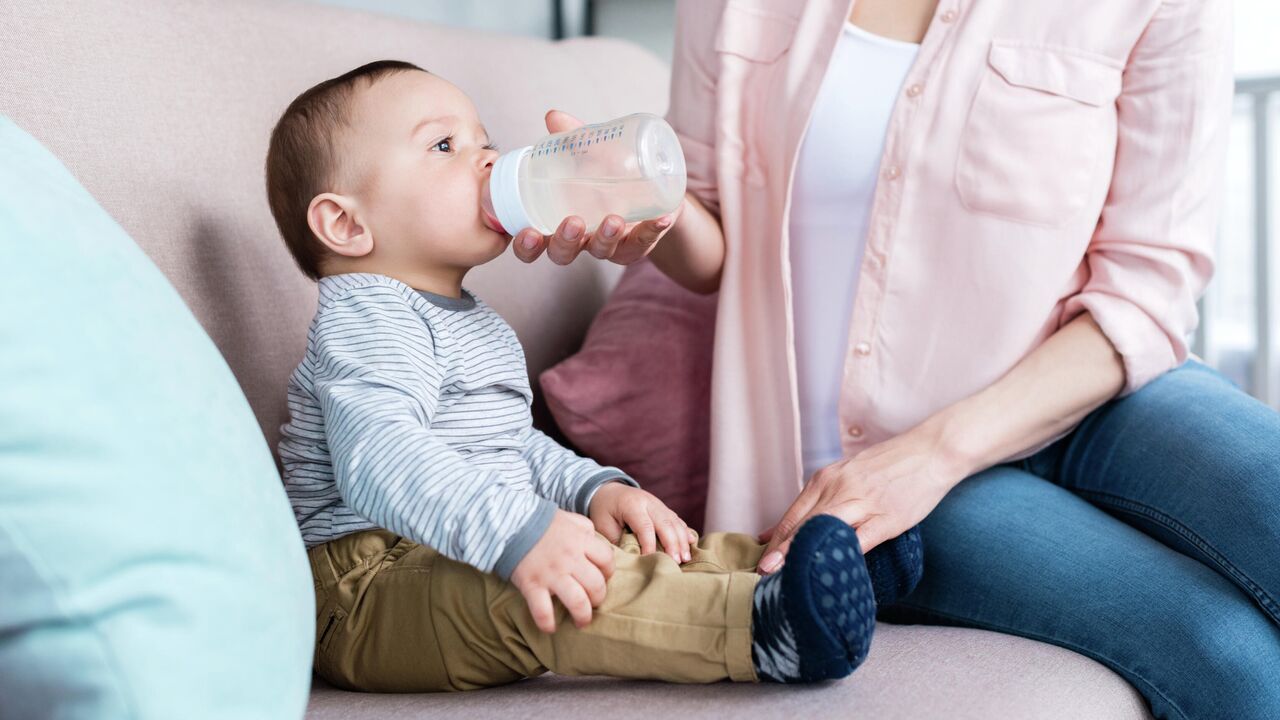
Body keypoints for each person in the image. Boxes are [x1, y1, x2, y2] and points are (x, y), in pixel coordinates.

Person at [508, 1, 1280, 717]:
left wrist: (931, 456)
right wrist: (656, 217)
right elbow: (715, 242)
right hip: (883, 474)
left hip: (1091, 392)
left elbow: (1147, 289)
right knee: (1229, 654)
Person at [264, 60, 922, 692]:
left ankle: (794, 569)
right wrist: (521, 534)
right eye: (443, 146)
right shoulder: (369, 315)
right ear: (345, 224)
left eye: (483, 140)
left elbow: (513, 448)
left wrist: (593, 490)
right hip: (370, 591)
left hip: (457, 552)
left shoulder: (470, 320)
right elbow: (381, 461)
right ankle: (761, 626)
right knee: (573, 585)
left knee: (640, 545)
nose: (488, 159)